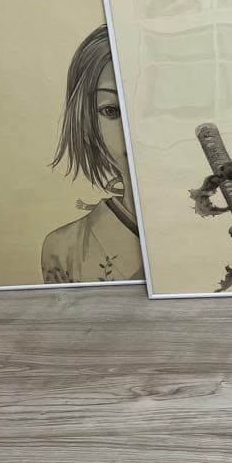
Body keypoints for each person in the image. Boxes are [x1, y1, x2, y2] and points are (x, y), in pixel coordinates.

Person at [41, 26, 145, 283]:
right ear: (85, 124)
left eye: (149, 107)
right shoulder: (65, 247)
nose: (133, 129)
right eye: (111, 111)